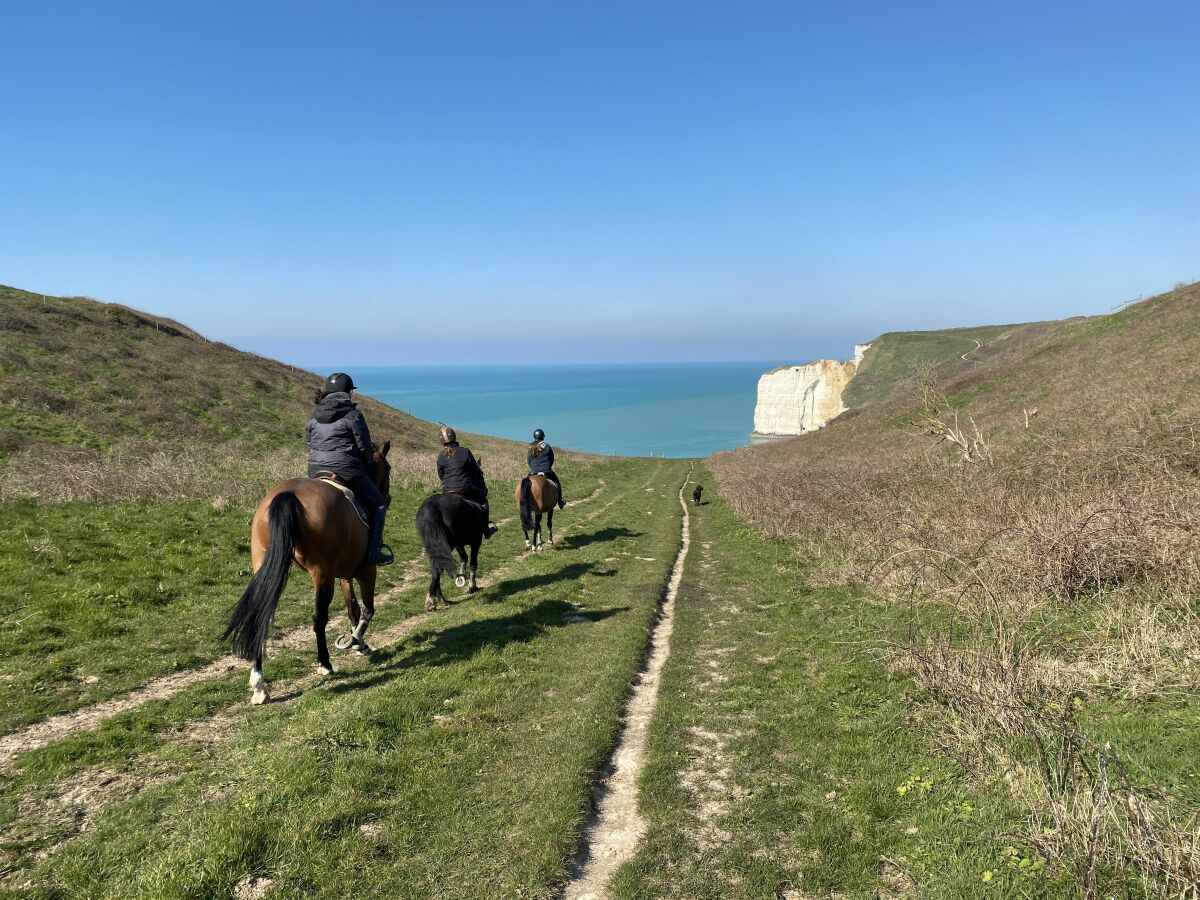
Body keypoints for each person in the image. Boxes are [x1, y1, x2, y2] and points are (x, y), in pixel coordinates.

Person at [305, 372, 394, 565]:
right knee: (379, 503)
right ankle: (374, 551)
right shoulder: (352, 415)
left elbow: (310, 444)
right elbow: (364, 447)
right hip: (346, 471)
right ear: (347, 393)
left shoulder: (314, 416)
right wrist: (367, 465)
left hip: (315, 471)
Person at [436, 425, 498, 538]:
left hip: (447, 490)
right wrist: (480, 486)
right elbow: (475, 471)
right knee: (483, 502)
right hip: (465, 488)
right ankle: (486, 530)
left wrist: (448, 486)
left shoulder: (441, 457)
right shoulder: (465, 452)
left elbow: (441, 476)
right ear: (454, 437)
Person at [528, 428, 566, 508]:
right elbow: (551, 459)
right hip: (546, 470)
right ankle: (560, 500)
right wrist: (548, 467)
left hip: (534, 471)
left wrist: (533, 468)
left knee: (526, 483)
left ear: (534, 437)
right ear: (543, 437)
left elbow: (529, 460)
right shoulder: (547, 447)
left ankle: (527, 502)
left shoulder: (530, 447)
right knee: (557, 482)